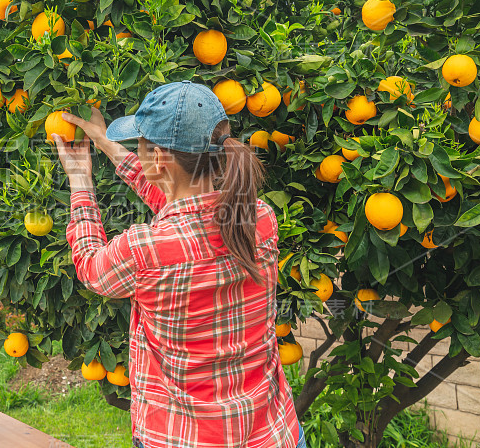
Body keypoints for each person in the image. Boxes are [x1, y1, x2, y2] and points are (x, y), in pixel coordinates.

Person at [51, 80, 305, 448]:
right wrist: (106, 144)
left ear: (159, 160)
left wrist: (80, 181)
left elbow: (92, 268)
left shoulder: (144, 250)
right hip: (270, 432)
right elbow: (178, 203)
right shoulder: (260, 219)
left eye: (138, 141)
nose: (134, 147)